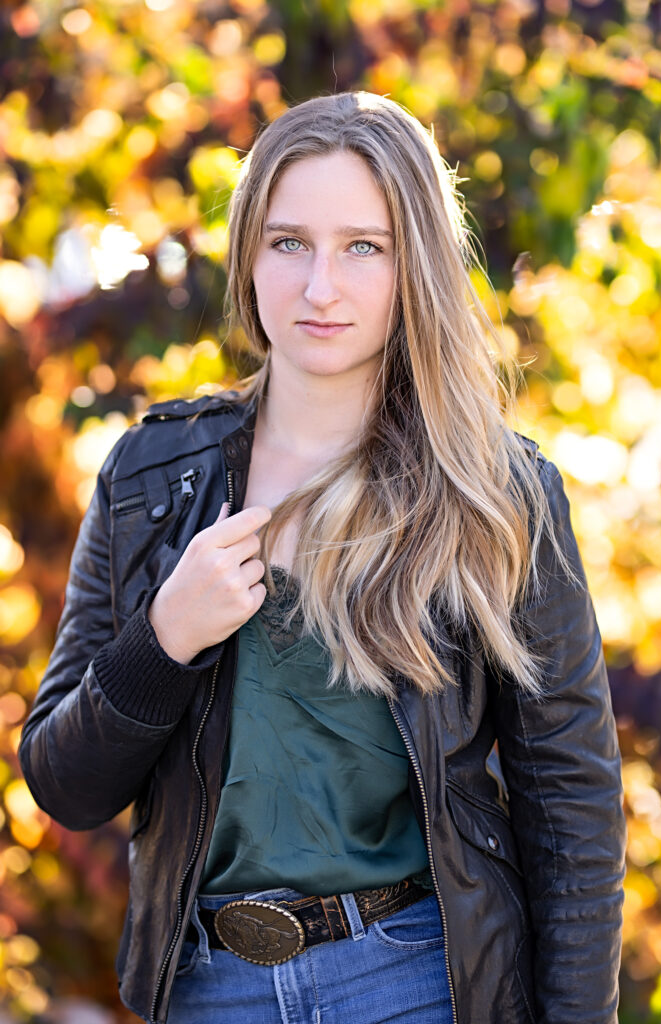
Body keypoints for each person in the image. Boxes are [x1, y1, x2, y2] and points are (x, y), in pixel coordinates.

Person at [20, 91, 626, 1024]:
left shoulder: (493, 492)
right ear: (250, 257)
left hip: (420, 981)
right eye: (288, 242)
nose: (320, 287)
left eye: (363, 247)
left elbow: (572, 811)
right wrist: (163, 640)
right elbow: (65, 785)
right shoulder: (153, 476)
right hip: (207, 990)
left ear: (412, 261)